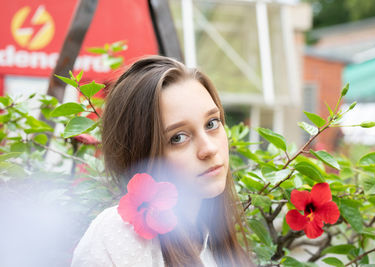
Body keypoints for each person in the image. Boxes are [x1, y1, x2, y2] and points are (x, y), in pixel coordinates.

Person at [71, 55, 253, 266]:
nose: (209, 149)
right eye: (178, 138)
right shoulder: (120, 235)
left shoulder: (213, 240)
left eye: (212, 123)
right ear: (141, 153)